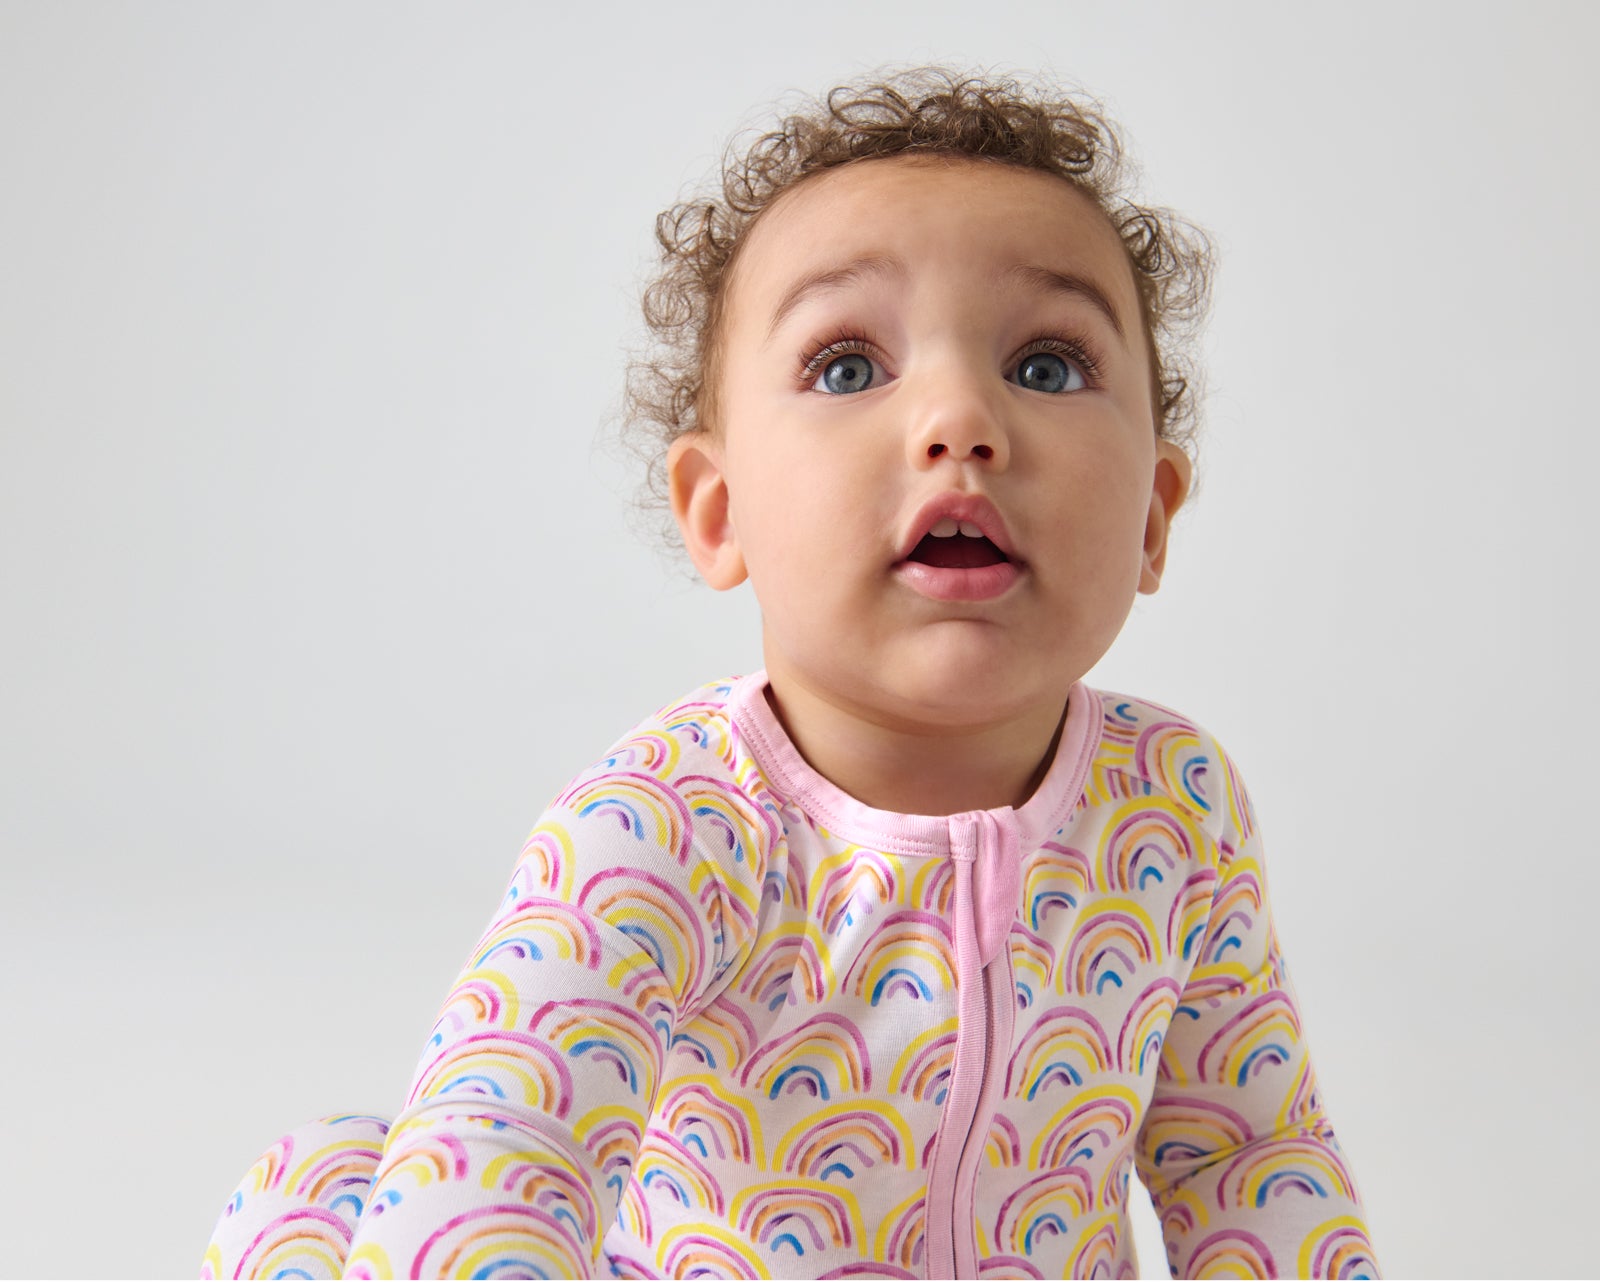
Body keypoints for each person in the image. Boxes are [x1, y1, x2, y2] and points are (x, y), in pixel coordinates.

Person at [203, 68, 1380, 1280]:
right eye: (848, 368)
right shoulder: (665, 821)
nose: (960, 420)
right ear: (721, 513)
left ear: (1152, 518)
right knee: (336, 1181)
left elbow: (1245, 1151)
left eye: (1045, 365)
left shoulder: (1174, 806)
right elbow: (511, 1133)